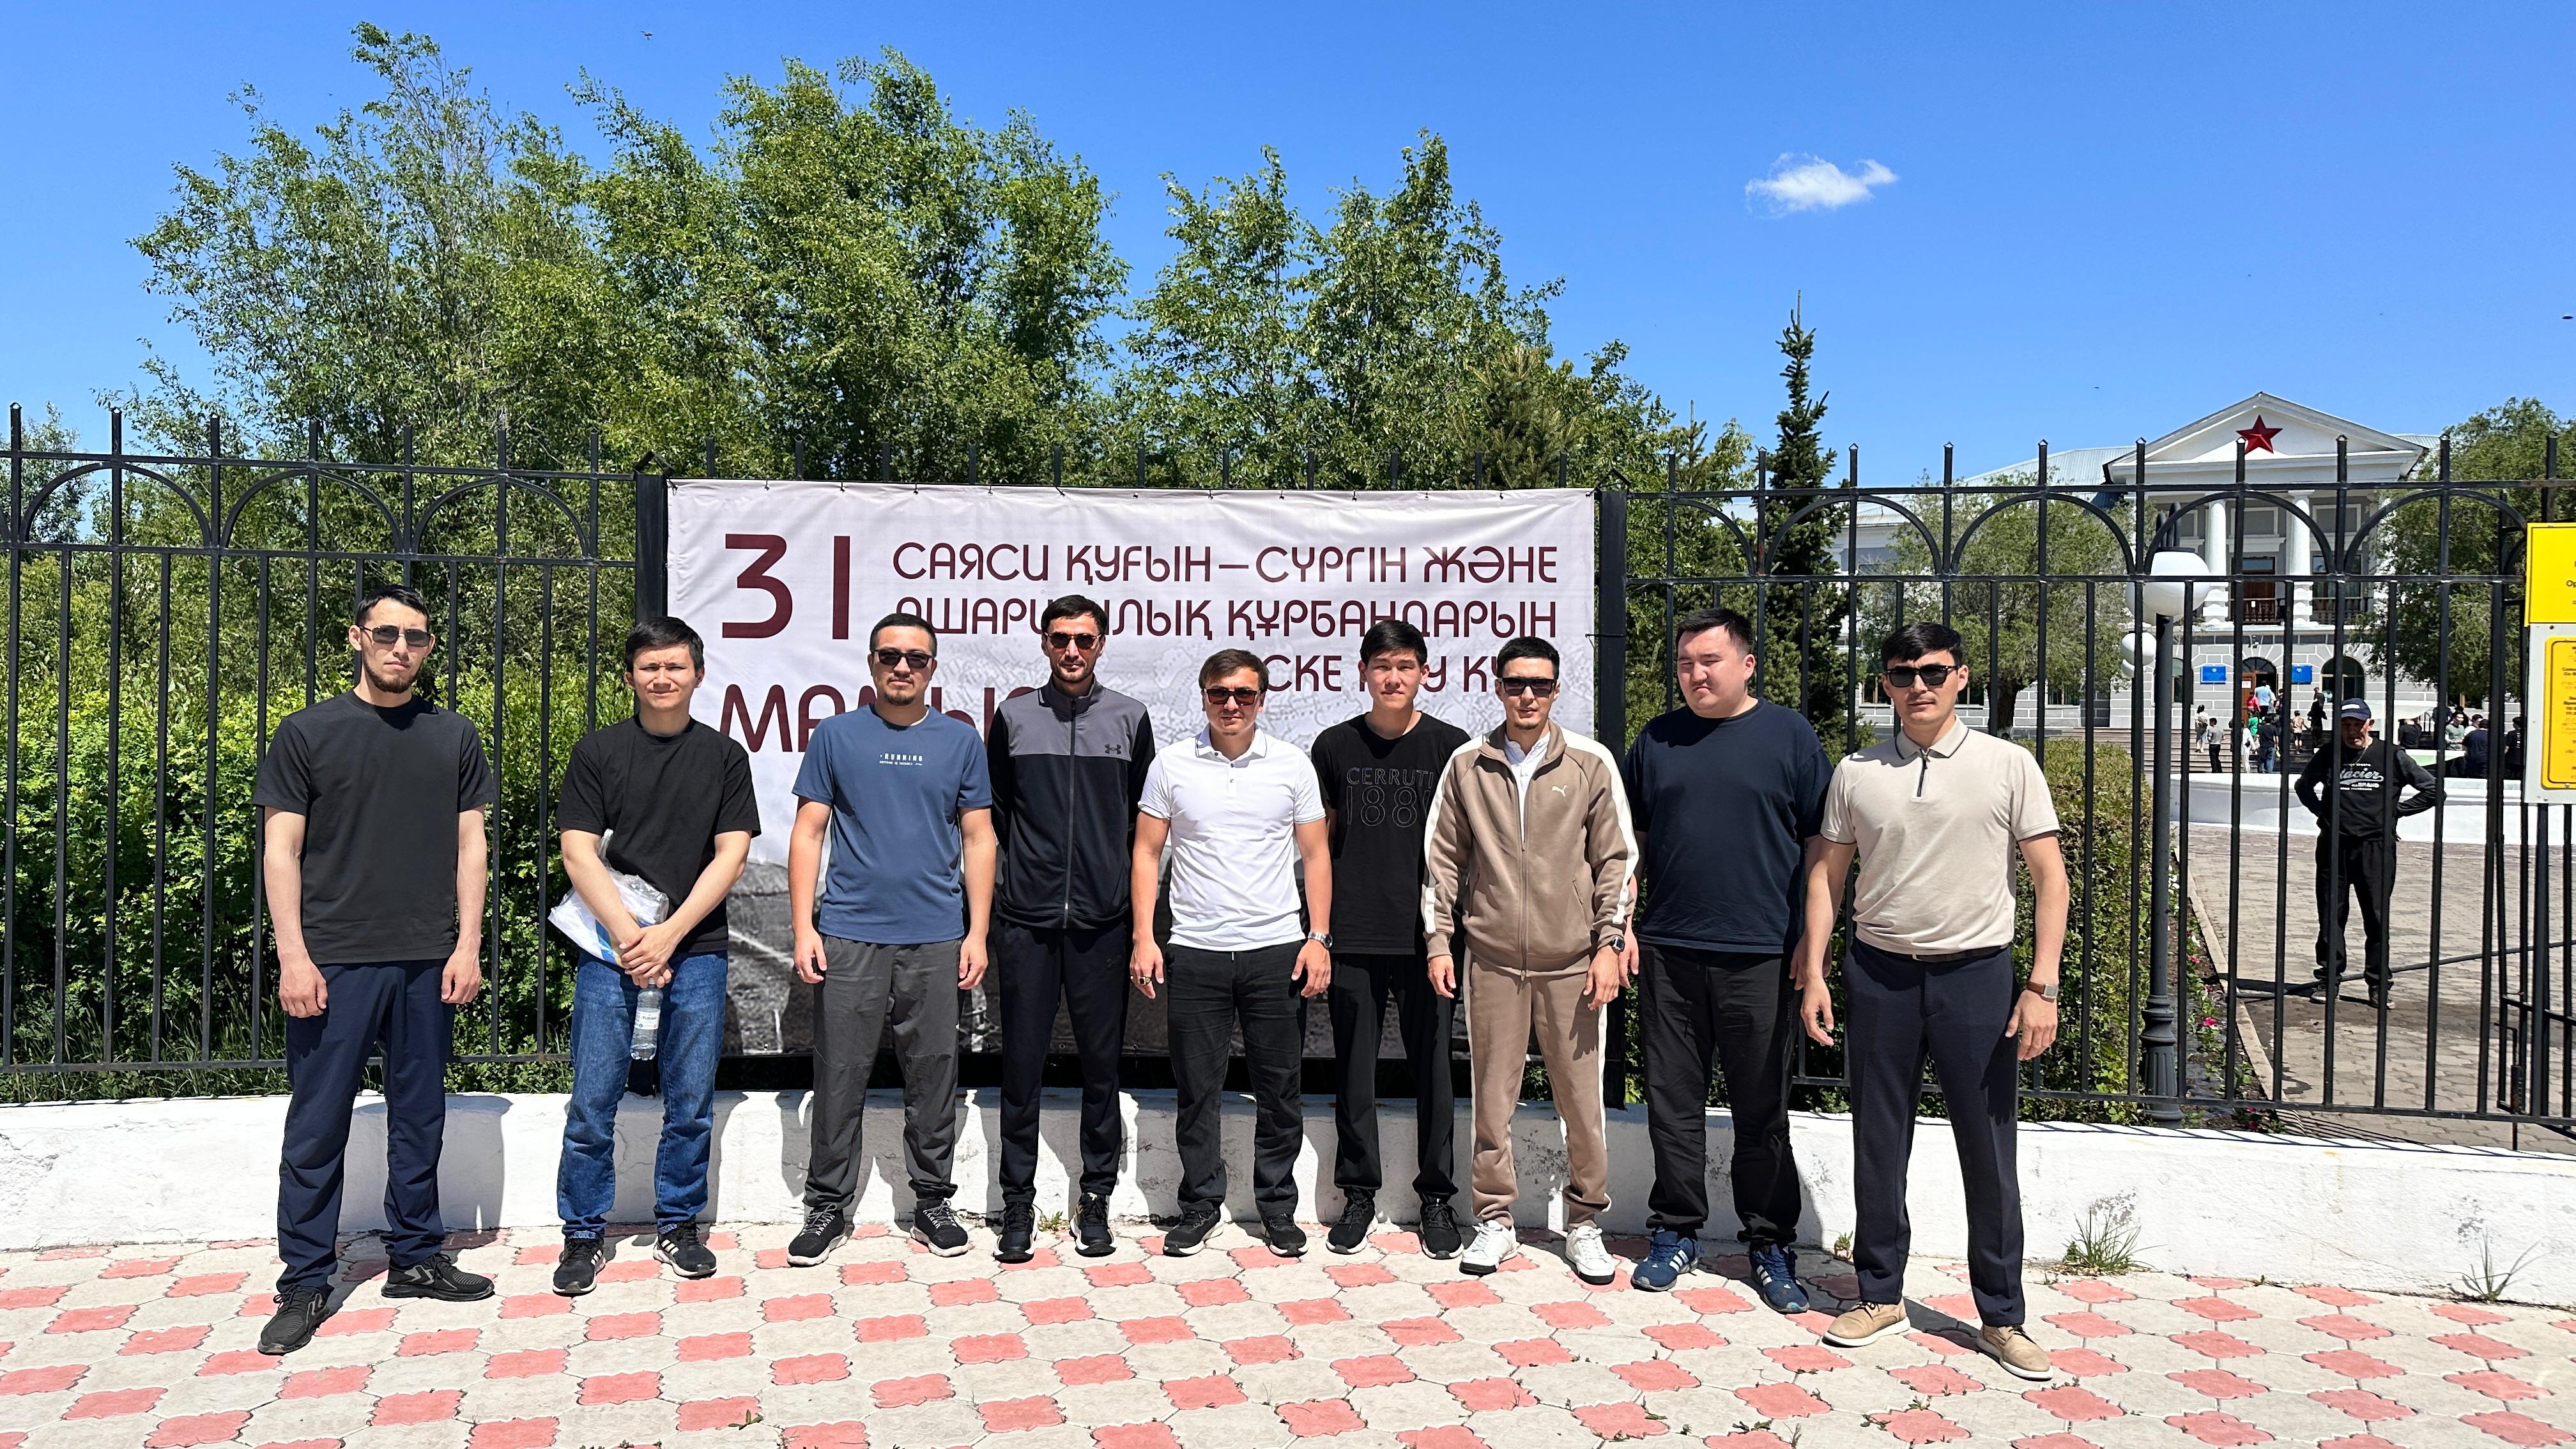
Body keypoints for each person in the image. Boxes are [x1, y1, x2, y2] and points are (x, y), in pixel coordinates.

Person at [1795, 621, 2067, 1383]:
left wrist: (2041, 985)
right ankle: (1880, 1295)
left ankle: (2002, 1317)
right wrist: (1815, 971)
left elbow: (2050, 877)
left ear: (1961, 678)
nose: (1918, 685)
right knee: (1878, 1141)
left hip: (1977, 978)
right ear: (1885, 683)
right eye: (1902, 673)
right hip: (1879, 974)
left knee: (1988, 1148)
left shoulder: (2007, 765)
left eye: (1933, 672)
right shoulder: (1857, 772)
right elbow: (1826, 877)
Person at [253, 585, 498, 1354]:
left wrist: (467, 945)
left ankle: (416, 1258)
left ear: (429, 648)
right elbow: (281, 851)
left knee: (419, 1115)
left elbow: (471, 846)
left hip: (429, 958)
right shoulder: (308, 733)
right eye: (387, 634)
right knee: (318, 1122)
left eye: (416, 637)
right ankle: (304, 1282)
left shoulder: (452, 735)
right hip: (333, 961)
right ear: (357, 637)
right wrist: (293, 955)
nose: (401, 648)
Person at [1620, 609, 1828, 1307]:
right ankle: (1675, 1231)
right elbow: (1631, 843)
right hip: (1670, 951)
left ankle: (1769, 1243)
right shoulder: (1657, 739)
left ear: (1747, 664)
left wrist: (1812, 940)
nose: (1695, 674)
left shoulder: (1790, 736)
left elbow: (1821, 846)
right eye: (1685, 663)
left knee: (1760, 1109)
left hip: (1762, 954)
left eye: (1709, 661)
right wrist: (1623, 925)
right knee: (1671, 1103)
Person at [550, 617, 759, 1294]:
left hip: (697, 949)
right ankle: (583, 1234)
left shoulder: (724, 757)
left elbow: (731, 855)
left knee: (690, 1102)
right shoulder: (598, 752)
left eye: (674, 666)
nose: (662, 677)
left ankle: (679, 1224)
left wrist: (669, 935)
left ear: (697, 674)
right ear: (629, 676)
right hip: (610, 950)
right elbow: (578, 850)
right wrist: (629, 936)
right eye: (649, 667)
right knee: (592, 1102)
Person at [1424, 636, 1636, 1285]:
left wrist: (1609, 944)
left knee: (1582, 1103)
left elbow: (1616, 862)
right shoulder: (1468, 764)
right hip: (1491, 961)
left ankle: (1585, 1221)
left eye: (1539, 685)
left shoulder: (1591, 763)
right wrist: (1439, 942)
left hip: (1573, 964)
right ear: (1497, 687)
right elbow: (1442, 861)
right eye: (1515, 683)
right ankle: (1495, 1219)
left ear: (1555, 690)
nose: (1526, 696)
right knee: (1493, 1102)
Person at [785, 613, 995, 1266]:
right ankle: (827, 1206)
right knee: (839, 1073)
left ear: (932, 668)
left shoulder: (960, 740)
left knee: (934, 1073)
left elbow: (979, 839)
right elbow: (808, 832)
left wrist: (977, 932)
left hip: (936, 936)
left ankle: (932, 1202)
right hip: (849, 932)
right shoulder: (835, 735)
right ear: (872, 662)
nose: (902, 667)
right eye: (890, 656)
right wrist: (803, 927)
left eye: (916, 658)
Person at [1133, 650, 1333, 1258]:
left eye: (1244, 694)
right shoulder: (1171, 764)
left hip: (1276, 949)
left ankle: (1277, 1207)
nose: (1231, 705)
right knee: (1197, 1090)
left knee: (1280, 1089)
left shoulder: (1292, 765)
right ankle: (1200, 1205)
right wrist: (1144, 936)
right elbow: (1147, 853)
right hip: (1196, 950)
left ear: (1262, 700)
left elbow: (1316, 855)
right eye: (1219, 693)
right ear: (1203, 697)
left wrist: (1319, 937)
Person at [985, 595, 1156, 1262]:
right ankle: (1017, 1203)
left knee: (1101, 1071)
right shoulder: (1014, 718)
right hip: (1026, 923)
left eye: (1084, 639)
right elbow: (998, 812)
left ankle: (1095, 1199)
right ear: (1044, 643)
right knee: (1020, 1069)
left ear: (1102, 643)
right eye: (1060, 639)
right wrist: (1023, 879)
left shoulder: (1130, 718)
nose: (1072, 651)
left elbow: (1142, 824)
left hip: (1102, 923)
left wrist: (1125, 908)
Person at [1310, 620, 1471, 1258]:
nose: (1393, 678)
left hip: (1430, 939)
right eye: (1382, 666)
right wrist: (1320, 932)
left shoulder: (1451, 747)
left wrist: (1446, 932)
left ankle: (1436, 1198)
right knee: (1354, 1074)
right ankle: (1358, 1193)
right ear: (1363, 673)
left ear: (1425, 673)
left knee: (1435, 1072)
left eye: (1405, 666)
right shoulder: (1334, 746)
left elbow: (1463, 847)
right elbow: (1319, 847)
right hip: (1353, 934)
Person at [2297, 700, 2441, 1008]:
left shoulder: (2391, 755)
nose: (2352, 731)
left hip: (2375, 847)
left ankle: (2378, 984)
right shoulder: (2329, 753)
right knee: (2331, 916)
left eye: (2357, 724)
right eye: (2346, 725)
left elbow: (2432, 790)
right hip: (2334, 847)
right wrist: (2323, 814)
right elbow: (2303, 786)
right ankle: (2329, 980)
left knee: (2376, 918)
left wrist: (2396, 812)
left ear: (2369, 724)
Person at [2193, 707, 2220, 774]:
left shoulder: (2198, 714)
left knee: (2199, 737)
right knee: (2204, 737)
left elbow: (2196, 721)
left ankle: (2198, 747)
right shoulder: (2206, 714)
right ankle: (2202, 749)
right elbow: (2207, 721)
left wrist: (2196, 727)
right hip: (2204, 727)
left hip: (2199, 726)